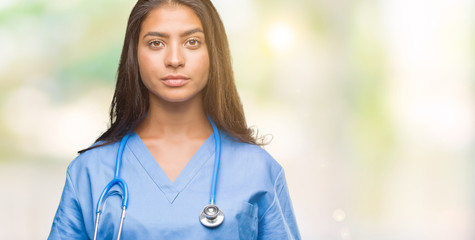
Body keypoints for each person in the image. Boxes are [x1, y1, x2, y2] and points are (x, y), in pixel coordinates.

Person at [48, 0, 300, 239]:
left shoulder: (258, 170)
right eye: (156, 43)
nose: (175, 60)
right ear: (134, 55)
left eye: (192, 42)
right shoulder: (90, 171)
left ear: (214, 52)